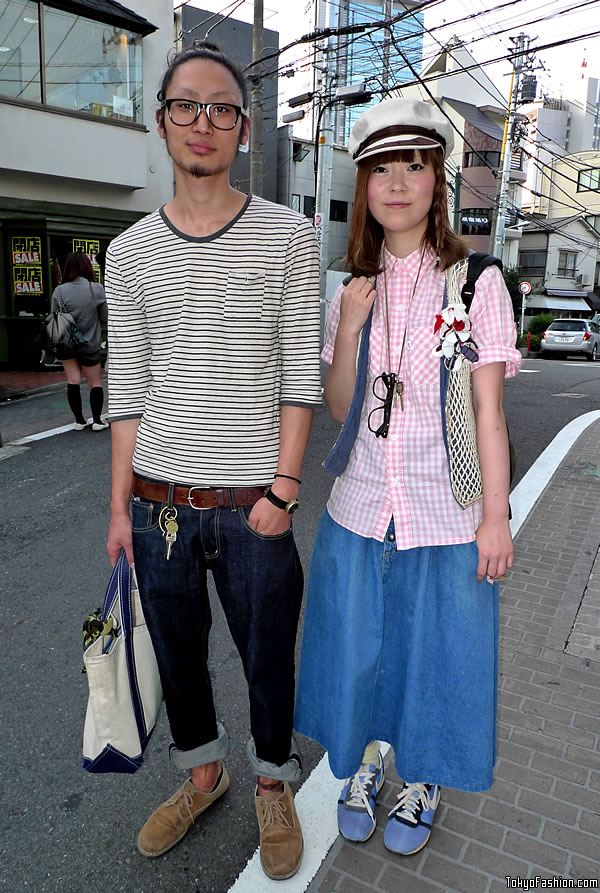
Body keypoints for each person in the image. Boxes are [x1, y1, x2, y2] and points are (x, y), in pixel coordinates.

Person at [104, 42, 321, 881]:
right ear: (162, 121)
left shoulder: (289, 235)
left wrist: (284, 489)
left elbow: (301, 371)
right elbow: (128, 385)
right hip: (157, 500)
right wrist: (118, 508)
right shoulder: (127, 254)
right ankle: (204, 773)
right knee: (177, 652)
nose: (204, 122)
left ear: (244, 127)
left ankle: (272, 777)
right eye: (186, 105)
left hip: (254, 502)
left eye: (221, 108)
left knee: (269, 655)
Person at [294, 98, 522, 856]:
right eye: (381, 169)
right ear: (363, 186)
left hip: (446, 510)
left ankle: (421, 776)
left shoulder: (475, 282)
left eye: (414, 166)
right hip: (360, 506)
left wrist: (496, 515)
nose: (397, 182)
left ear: (436, 180)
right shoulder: (348, 287)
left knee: (436, 651)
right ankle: (367, 761)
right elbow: (337, 409)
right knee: (362, 649)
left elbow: (489, 413)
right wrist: (352, 327)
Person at [50, 252, 109, 430]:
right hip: (89, 343)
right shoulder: (96, 288)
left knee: (73, 380)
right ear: (87, 266)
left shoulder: (59, 290)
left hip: (66, 342)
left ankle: (79, 421)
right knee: (95, 382)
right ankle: (98, 421)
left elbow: (53, 315)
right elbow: (106, 316)